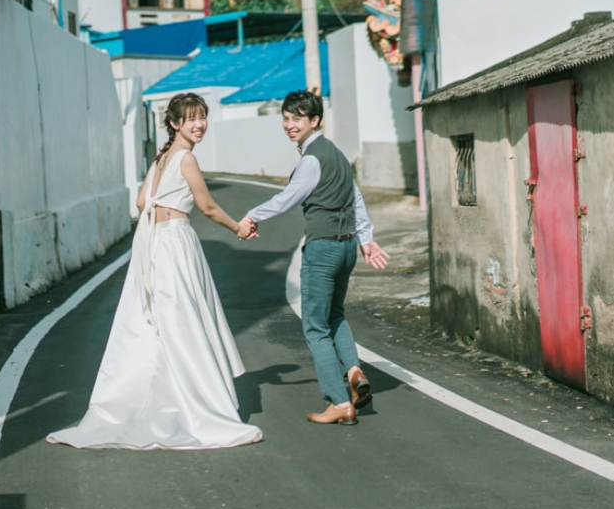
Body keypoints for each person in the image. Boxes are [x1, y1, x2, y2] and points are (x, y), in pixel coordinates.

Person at [47, 92, 263, 449]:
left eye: (203, 116)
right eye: (192, 118)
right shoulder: (187, 159)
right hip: (176, 241)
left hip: (155, 244)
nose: (200, 124)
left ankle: (162, 397)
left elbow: (141, 202)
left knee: (161, 322)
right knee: (185, 322)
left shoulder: (162, 158)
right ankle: (193, 402)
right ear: (175, 123)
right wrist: (238, 227)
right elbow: (207, 207)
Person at [240, 90, 389, 426]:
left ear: (315, 120)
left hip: (323, 248)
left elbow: (288, 198)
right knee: (334, 314)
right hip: (348, 245)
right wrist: (365, 239)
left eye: (298, 119)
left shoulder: (312, 159)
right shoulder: (337, 154)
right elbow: (357, 200)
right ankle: (353, 372)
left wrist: (252, 215)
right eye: (287, 118)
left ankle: (339, 401)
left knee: (314, 328)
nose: (290, 125)